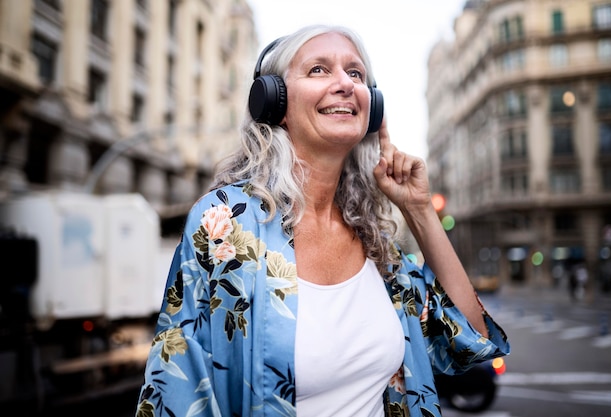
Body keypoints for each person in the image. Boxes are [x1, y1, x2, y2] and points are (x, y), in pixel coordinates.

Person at [134, 24, 509, 417]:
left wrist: (418, 210)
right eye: (318, 70)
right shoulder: (225, 223)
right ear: (274, 101)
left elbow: (472, 340)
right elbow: (176, 390)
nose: (344, 84)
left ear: (372, 105)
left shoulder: (375, 242)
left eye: (356, 73)